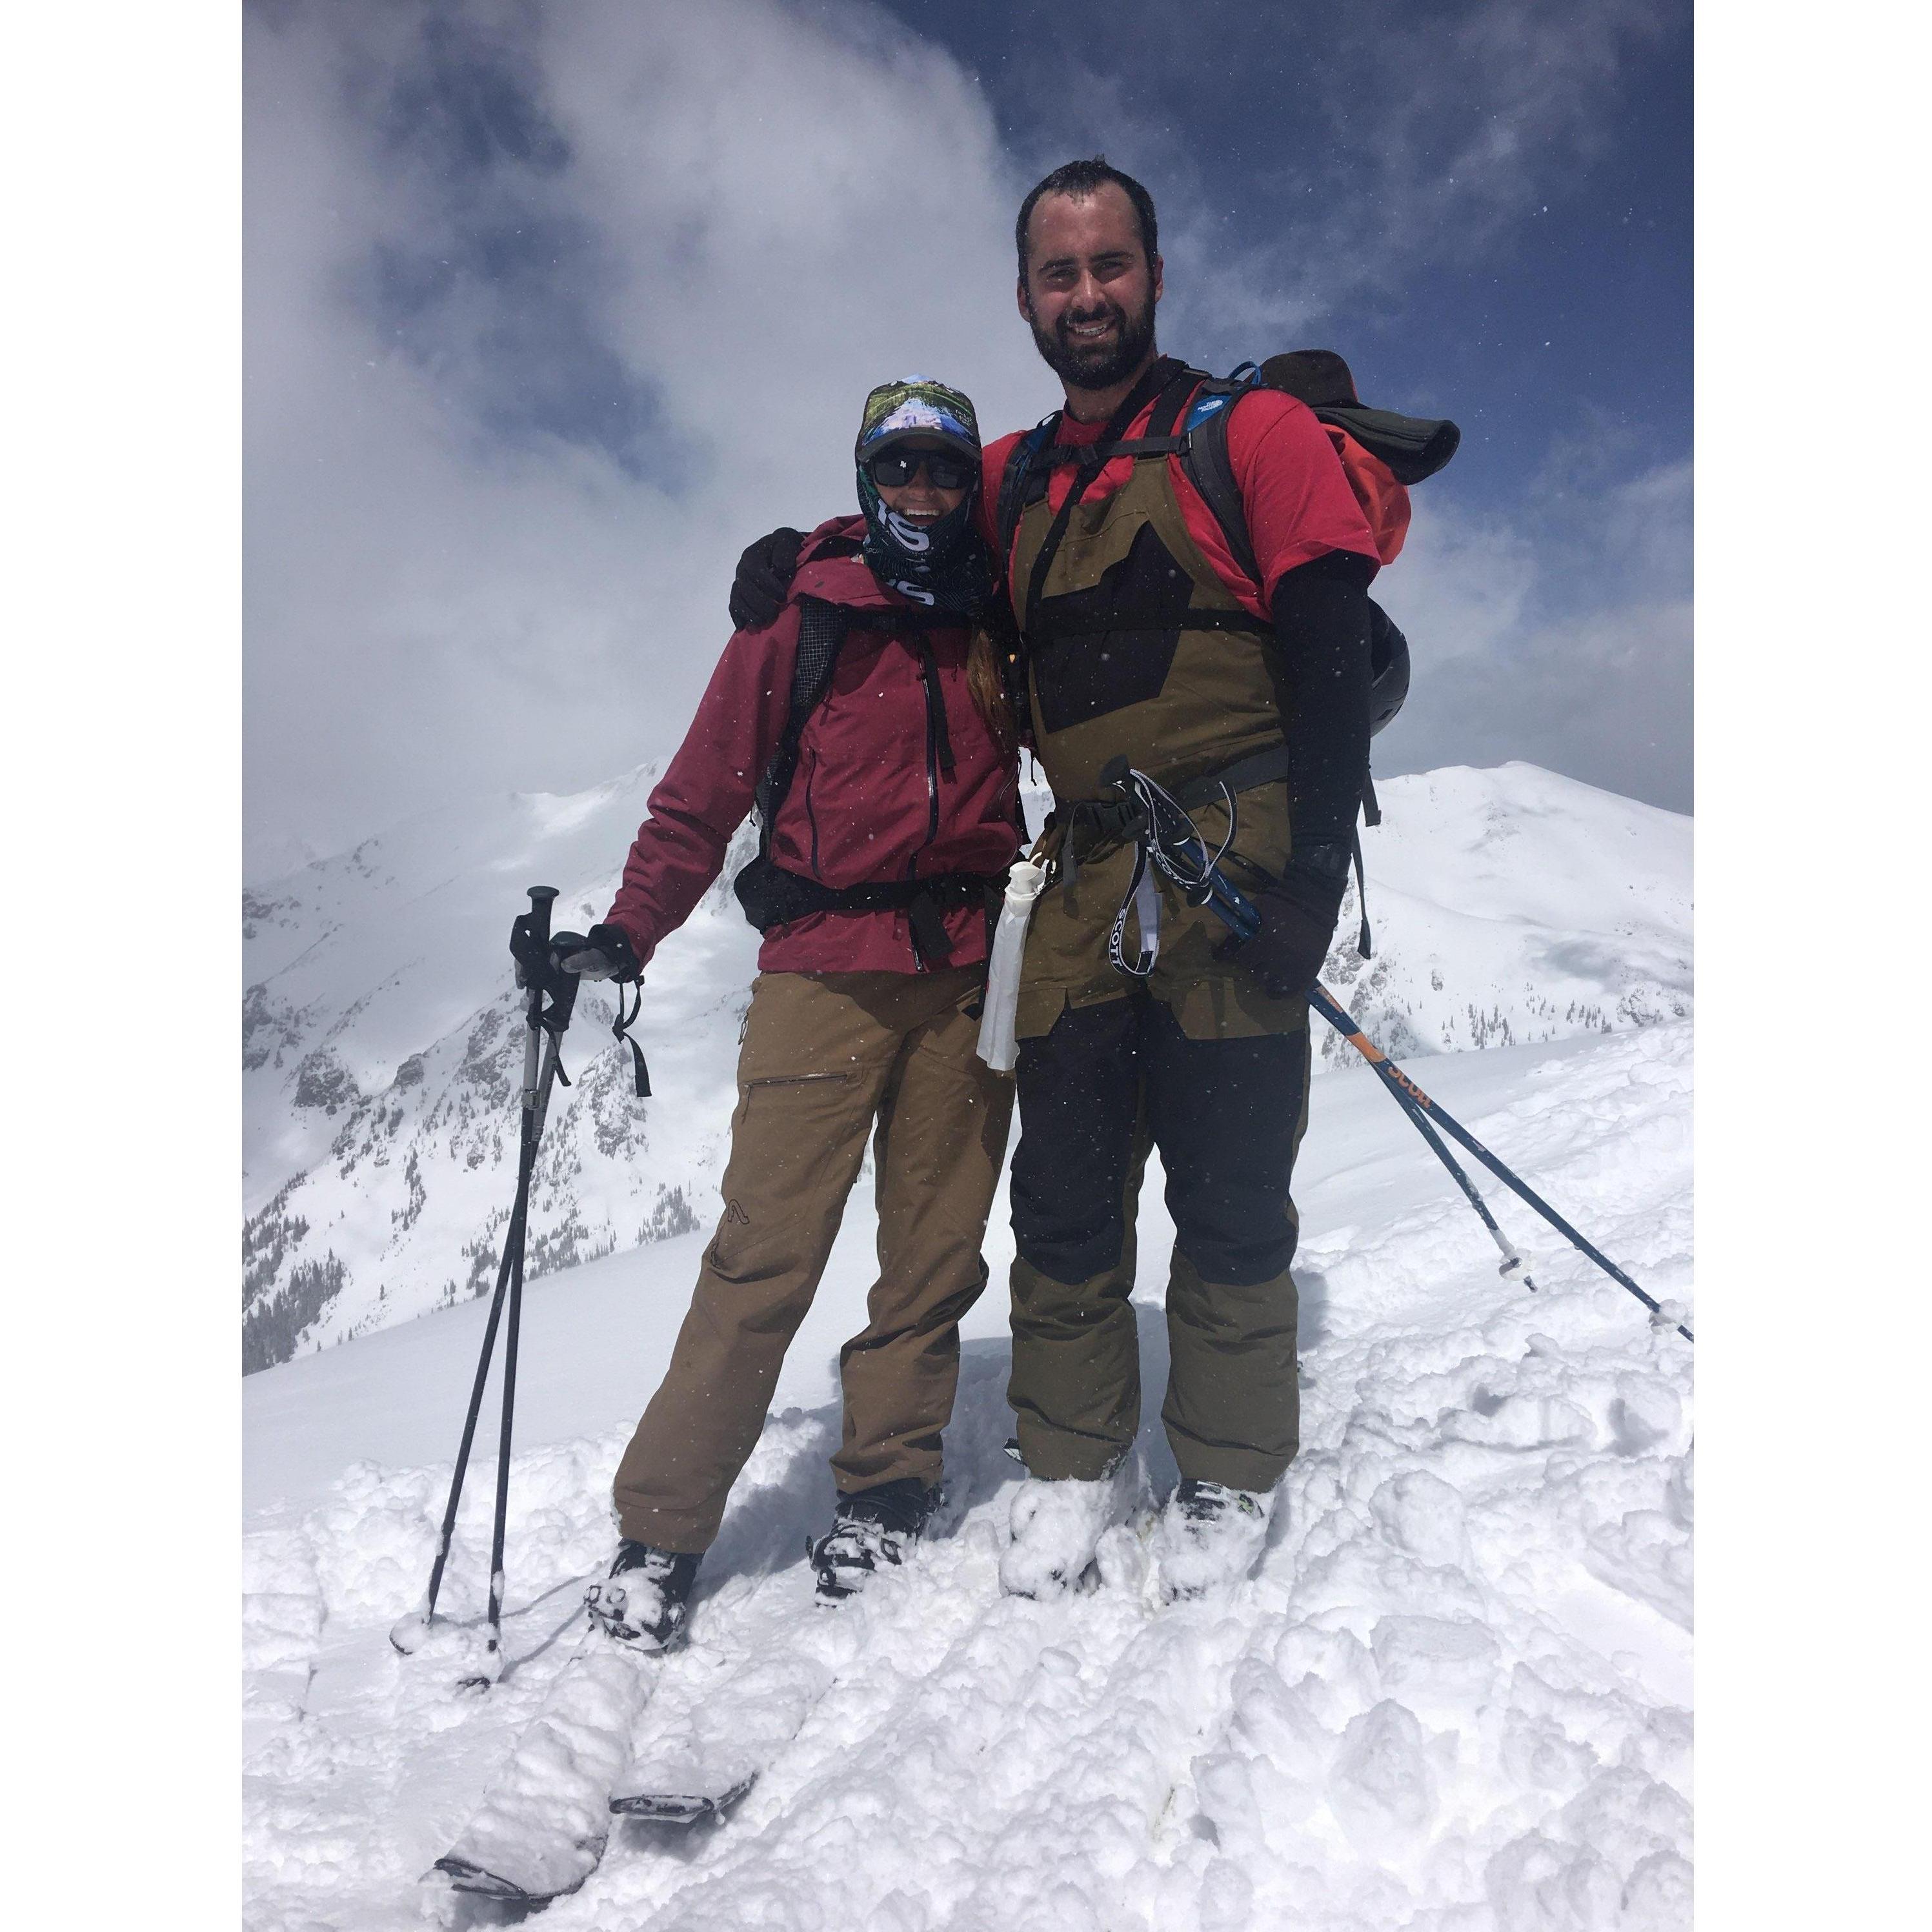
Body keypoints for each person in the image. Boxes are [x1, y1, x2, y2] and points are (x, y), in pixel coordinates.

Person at [729, 160, 1403, 1605]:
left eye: (1109, 266)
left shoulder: (1255, 435)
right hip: (1087, 873)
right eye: (1058, 272)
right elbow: (901, 532)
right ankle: (1073, 1457)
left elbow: (1331, 644)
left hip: (1238, 855)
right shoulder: (1018, 476)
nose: (1086, 295)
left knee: (1230, 1187)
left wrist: (1313, 885)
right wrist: (806, 558)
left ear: (1153, 274)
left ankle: (1223, 1469)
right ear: (1026, 297)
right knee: (1068, 1188)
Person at [556, 376, 1022, 1651]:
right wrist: (631, 925)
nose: (923, 492)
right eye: (900, 469)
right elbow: (703, 790)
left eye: (944, 470)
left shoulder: (1001, 603)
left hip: (974, 969)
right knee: (765, 1255)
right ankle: (660, 1530)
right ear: (866, 476)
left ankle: (886, 1478)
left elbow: (1087, 466)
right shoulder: (805, 608)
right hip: (823, 968)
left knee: (934, 1248)